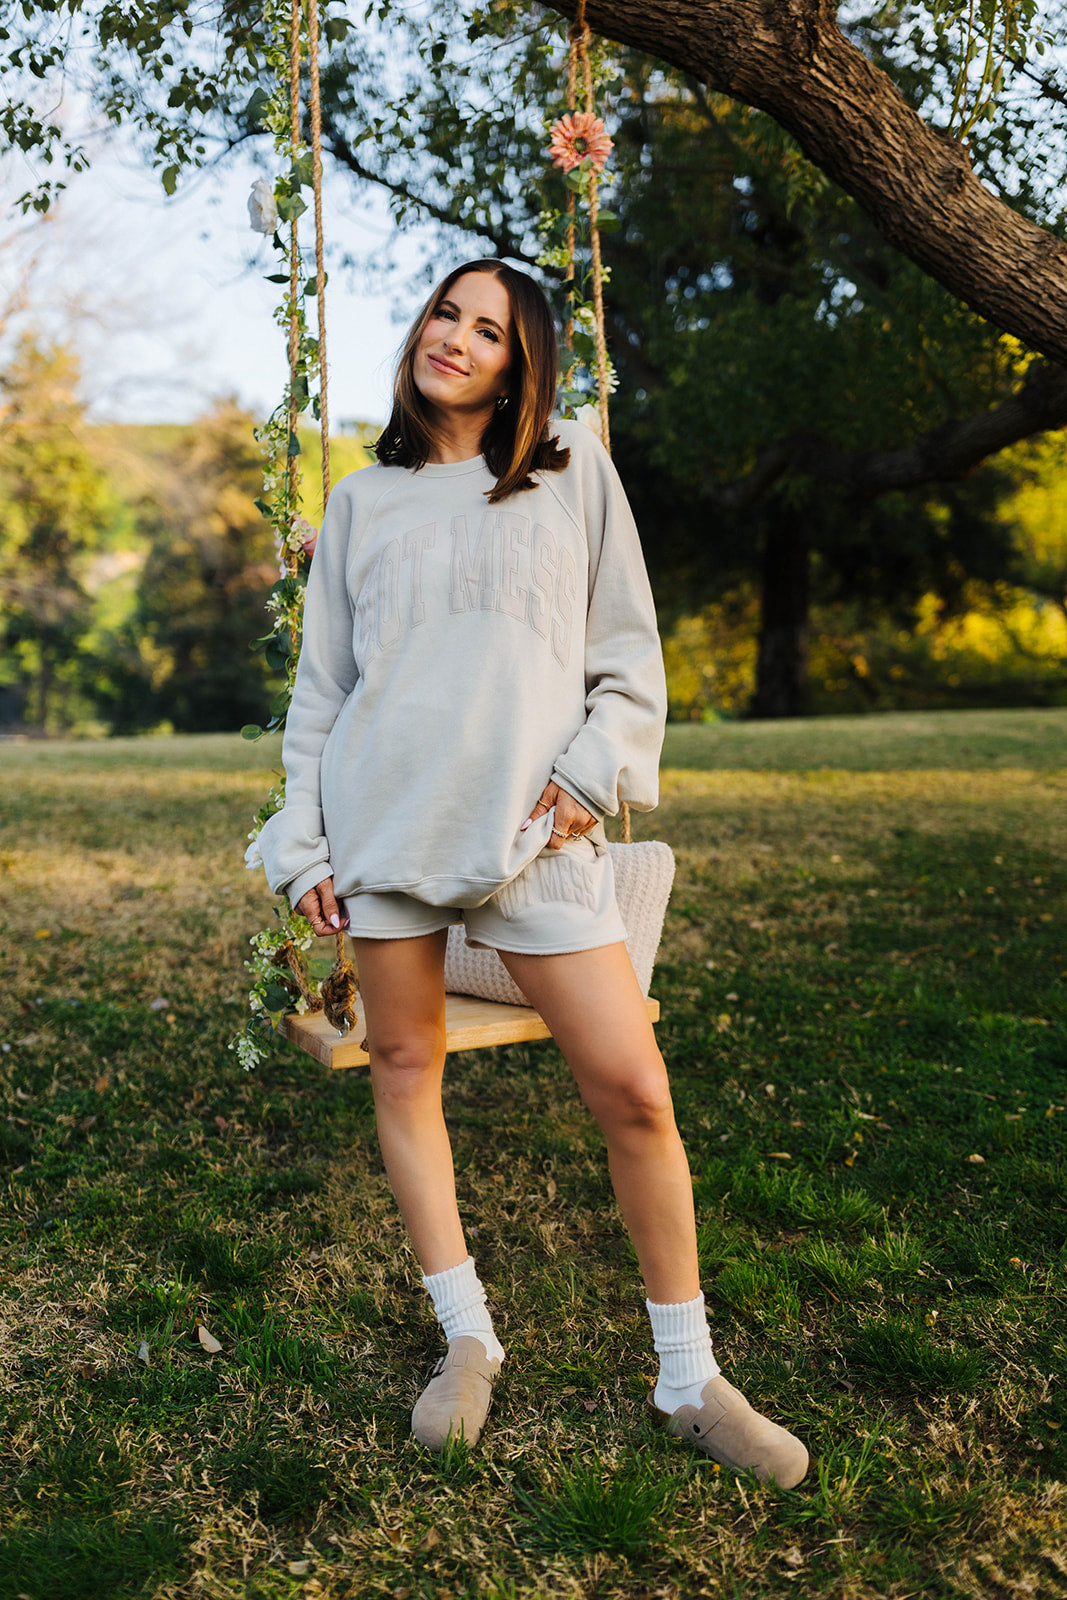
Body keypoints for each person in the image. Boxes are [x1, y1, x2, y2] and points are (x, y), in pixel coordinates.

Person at [256, 258, 808, 1486]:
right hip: (386, 830)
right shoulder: (359, 501)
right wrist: (304, 850)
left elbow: (627, 660)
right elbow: (321, 698)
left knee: (636, 1096)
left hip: (538, 839)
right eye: (443, 313)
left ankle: (687, 1376)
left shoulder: (567, 470)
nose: (452, 337)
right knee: (403, 1069)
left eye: (488, 329)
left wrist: (585, 775)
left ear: (524, 362)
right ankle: (467, 1339)